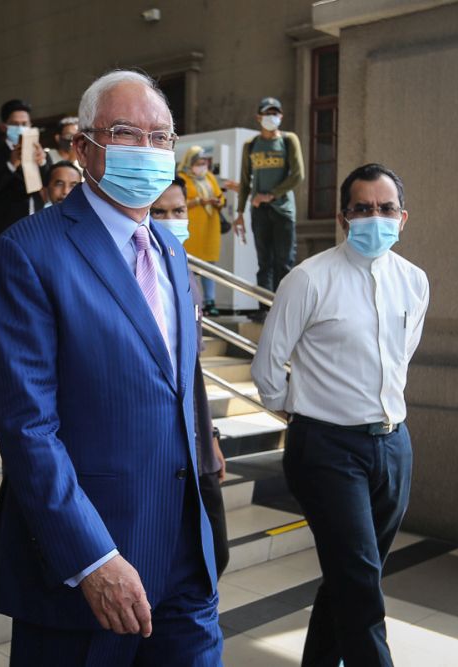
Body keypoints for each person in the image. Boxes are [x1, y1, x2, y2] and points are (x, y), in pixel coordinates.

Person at [0, 70, 223, 666]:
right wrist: (92, 559)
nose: (148, 150)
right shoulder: (28, 252)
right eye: (125, 133)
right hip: (89, 567)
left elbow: (178, 380)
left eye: (161, 137)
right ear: (82, 147)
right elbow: (27, 427)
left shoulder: (169, 249)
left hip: (187, 558)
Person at [250, 163, 429, 666]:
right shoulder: (308, 279)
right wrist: (303, 415)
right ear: (344, 216)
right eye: (363, 209)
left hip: (394, 446)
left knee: (354, 577)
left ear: (403, 216)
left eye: (385, 208)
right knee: (359, 586)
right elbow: (267, 368)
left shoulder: (414, 282)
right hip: (327, 449)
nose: (376, 218)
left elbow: (400, 359)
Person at [150, 178, 229, 576]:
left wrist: (211, 438)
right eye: (158, 212)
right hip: (155, 451)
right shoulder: (131, 278)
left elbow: (193, 369)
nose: (170, 220)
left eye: (178, 211)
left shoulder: (189, 277)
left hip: (195, 443)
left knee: (215, 554)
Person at [233, 96, 304, 313]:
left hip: (283, 210)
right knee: (264, 263)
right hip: (258, 211)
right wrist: (239, 213)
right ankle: (265, 310)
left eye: (275, 113)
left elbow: (298, 175)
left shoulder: (288, 139)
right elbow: (245, 181)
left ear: (281, 116)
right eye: (267, 113)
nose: (271, 117)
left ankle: (285, 309)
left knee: (284, 262)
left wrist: (270, 195)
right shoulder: (251, 145)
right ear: (259, 117)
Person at [0, 99, 51, 240]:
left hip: (38, 222)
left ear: (30, 125)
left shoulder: (41, 152)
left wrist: (42, 163)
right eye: (15, 124)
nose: (21, 128)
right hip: (7, 226)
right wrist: (10, 165)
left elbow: (51, 183)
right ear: (4, 127)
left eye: (24, 124)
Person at [177, 146, 225, 316]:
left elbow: (220, 196)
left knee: (209, 266)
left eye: (204, 162)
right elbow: (180, 201)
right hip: (192, 229)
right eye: (198, 162)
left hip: (210, 229)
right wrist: (200, 201)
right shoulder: (182, 178)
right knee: (191, 267)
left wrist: (219, 202)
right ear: (190, 163)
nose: (202, 166)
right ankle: (193, 302)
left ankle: (210, 302)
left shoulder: (210, 177)